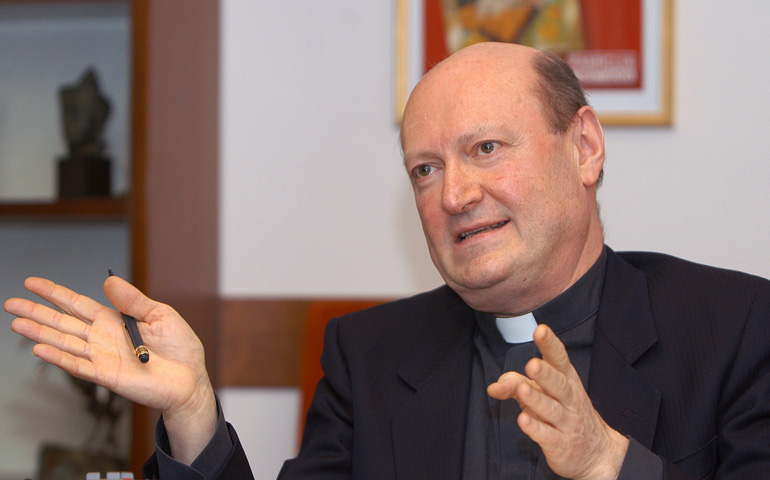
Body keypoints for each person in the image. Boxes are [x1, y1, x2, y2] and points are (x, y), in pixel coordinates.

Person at [6, 42, 770, 479]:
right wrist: (192, 412)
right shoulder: (370, 356)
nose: (456, 194)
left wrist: (613, 465)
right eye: (425, 170)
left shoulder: (734, 329)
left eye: (485, 149)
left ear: (585, 147)